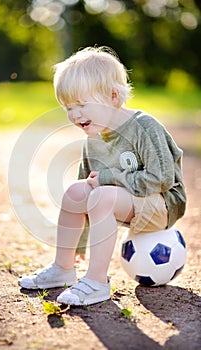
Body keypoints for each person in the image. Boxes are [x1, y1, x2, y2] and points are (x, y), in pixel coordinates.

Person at [18, 46, 186, 306]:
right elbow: (86, 189)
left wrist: (109, 177)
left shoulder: (144, 127)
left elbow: (161, 178)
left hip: (162, 203)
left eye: (82, 104)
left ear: (114, 96)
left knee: (103, 196)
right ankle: (63, 267)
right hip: (124, 201)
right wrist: (81, 244)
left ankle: (97, 282)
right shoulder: (94, 137)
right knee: (75, 192)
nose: (74, 115)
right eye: (68, 107)